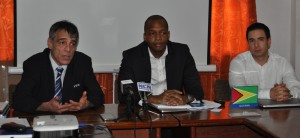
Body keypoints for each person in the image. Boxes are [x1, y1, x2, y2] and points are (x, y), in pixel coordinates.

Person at [13, 20, 104, 113]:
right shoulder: (34, 64)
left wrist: (86, 104)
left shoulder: (82, 62)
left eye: (72, 43)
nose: (69, 49)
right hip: (42, 121)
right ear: (50, 43)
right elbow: (19, 99)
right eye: (62, 43)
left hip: (73, 121)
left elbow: (98, 95)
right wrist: (44, 106)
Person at [118, 15, 204, 106]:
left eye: (163, 33)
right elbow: (124, 95)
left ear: (168, 34)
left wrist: (185, 99)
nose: (158, 38)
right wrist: (152, 99)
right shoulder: (131, 57)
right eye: (152, 33)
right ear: (145, 36)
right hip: (144, 111)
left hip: (174, 109)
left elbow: (197, 90)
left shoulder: (182, 53)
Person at [229, 22, 300, 102]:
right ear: (248, 43)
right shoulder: (238, 63)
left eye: (261, 39)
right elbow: (238, 94)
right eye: (252, 41)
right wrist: (269, 94)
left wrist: (287, 93)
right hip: (246, 111)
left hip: (276, 112)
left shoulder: (282, 63)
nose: (256, 45)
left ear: (268, 42)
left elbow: (297, 88)